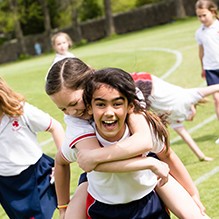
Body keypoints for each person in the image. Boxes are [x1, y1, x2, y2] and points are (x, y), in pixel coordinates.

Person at [45, 58, 208, 218]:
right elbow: (90, 164)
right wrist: (63, 207)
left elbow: (145, 142)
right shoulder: (75, 123)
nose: (71, 112)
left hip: (144, 178)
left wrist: (192, 193)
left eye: (74, 104)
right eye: (63, 109)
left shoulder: (127, 94)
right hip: (104, 185)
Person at [0, 77, 65, 219]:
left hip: (36, 176)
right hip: (6, 185)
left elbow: (55, 127)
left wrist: (61, 163)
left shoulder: (20, 110)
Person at [132, 72, 219, 161]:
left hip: (144, 86)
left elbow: (186, 136)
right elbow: (216, 87)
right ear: (193, 106)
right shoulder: (189, 96)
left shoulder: (174, 118)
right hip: (146, 81)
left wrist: (202, 157)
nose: (191, 118)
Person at [195, 0, 219, 144]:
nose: (202, 19)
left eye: (204, 15)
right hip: (211, 70)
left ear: (213, 11)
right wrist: (202, 67)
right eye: (199, 16)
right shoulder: (199, 33)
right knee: (217, 100)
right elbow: (201, 51)